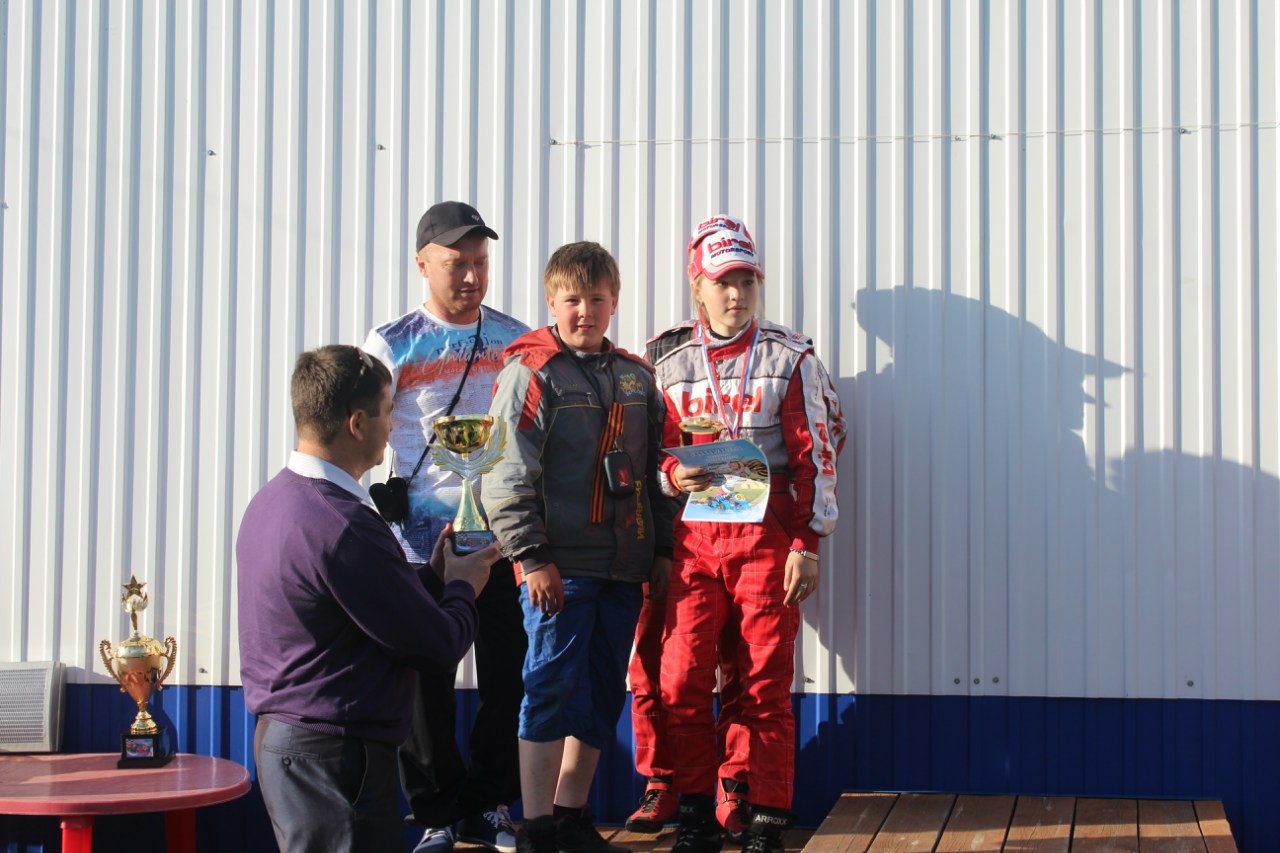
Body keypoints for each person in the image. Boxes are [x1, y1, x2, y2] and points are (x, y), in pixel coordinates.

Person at [237, 344, 500, 853]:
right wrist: (465, 585)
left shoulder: (273, 502)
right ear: (357, 423)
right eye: (387, 411)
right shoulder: (342, 523)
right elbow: (437, 646)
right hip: (335, 759)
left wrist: (434, 578)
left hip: (293, 748)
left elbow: (358, 613)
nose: (393, 425)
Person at [651, 215, 845, 853]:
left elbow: (818, 455)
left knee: (764, 680)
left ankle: (766, 816)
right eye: (723, 282)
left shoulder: (791, 357)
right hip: (695, 537)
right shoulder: (668, 360)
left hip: (767, 533)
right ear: (698, 287)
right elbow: (652, 452)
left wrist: (807, 544)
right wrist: (671, 474)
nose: (736, 294)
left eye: (747, 281)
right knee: (682, 677)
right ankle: (697, 814)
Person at [483, 241, 675, 853]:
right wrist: (531, 557)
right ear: (551, 302)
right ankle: (536, 827)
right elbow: (504, 473)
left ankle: (570, 818)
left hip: (624, 570)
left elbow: (658, 473)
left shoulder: (638, 377)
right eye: (572, 300)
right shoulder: (531, 373)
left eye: (597, 299)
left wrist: (663, 552)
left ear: (614, 301)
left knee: (602, 692)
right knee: (548, 689)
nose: (585, 311)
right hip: (559, 571)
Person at [362, 201, 530, 853]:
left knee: (508, 678)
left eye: (481, 262)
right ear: (422, 264)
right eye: (457, 263)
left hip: (501, 543)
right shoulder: (391, 342)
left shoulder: (518, 340)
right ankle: (435, 812)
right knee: (423, 684)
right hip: (417, 548)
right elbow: (361, 432)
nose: (471, 276)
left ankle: (490, 805)